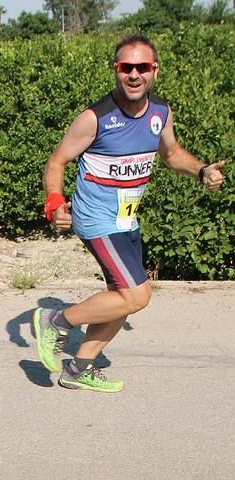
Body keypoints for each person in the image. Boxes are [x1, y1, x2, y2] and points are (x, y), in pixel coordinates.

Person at [34, 35, 225, 392]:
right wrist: (54, 203)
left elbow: (171, 154)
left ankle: (79, 369)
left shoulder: (160, 113)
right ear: (116, 71)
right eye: (126, 67)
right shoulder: (95, 118)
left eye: (142, 67)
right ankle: (56, 320)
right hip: (96, 220)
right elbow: (57, 161)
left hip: (126, 220)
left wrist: (200, 171)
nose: (134, 75)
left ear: (155, 70)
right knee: (137, 295)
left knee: (119, 300)